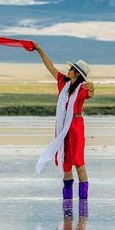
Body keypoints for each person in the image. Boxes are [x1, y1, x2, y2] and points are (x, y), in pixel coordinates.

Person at [33, 43, 95, 201]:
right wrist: (39, 49)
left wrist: (92, 88)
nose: (68, 70)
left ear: (77, 73)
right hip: (63, 129)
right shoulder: (63, 82)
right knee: (66, 163)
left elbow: (91, 92)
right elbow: (50, 66)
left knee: (79, 163)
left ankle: (83, 204)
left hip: (75, 127)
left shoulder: (82, 88)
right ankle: (67, 205)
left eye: (72, 68)